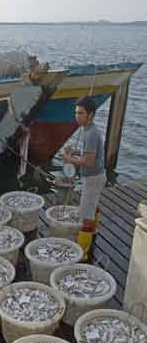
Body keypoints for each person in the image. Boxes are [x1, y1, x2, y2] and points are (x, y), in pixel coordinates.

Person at [63, 96, 106, 261]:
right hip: (98, 176)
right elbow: (90, 155)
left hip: (93, 178)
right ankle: (94, 232)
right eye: (76, 113)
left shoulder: (90, 134)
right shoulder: (90, 130)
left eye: (81, 113)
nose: (77, 116)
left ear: (91, 114)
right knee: (93, 205)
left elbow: (88, 162)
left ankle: (82, 255)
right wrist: (74, 153)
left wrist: (69, 159)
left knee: (85, 217)